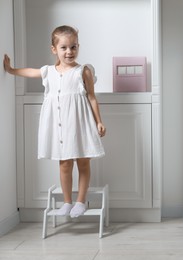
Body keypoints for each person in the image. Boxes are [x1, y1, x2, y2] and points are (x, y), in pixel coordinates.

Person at [3, 25, 106, 218]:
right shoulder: (48, 71)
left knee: (83, 163)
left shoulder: (83, 72)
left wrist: (99, 121)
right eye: (64, 47)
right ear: (54, 49)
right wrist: (11, 69)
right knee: (64, 163)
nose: (69, 51)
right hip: (60, 127)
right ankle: (67, 202)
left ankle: (80, 201)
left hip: (81, 124)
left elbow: (92, 97)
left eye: (73, 47)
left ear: (78, 46)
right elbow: (29, 72)